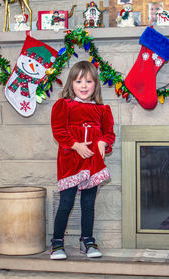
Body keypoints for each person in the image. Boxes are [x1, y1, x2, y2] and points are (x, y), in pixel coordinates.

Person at [50, 61, 115, 260]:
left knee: (88, 205)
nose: (84, 85)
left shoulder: (103, 110)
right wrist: (76, 145)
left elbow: (109, 133)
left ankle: (87, 240)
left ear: (95, 84)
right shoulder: (64, 105)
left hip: (93, 163)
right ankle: (57, 243)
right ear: (71, 84)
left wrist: (103, 143)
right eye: (79, 81)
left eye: (89, 81)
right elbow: (59, 130)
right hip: (71, 162)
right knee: (66, 203)